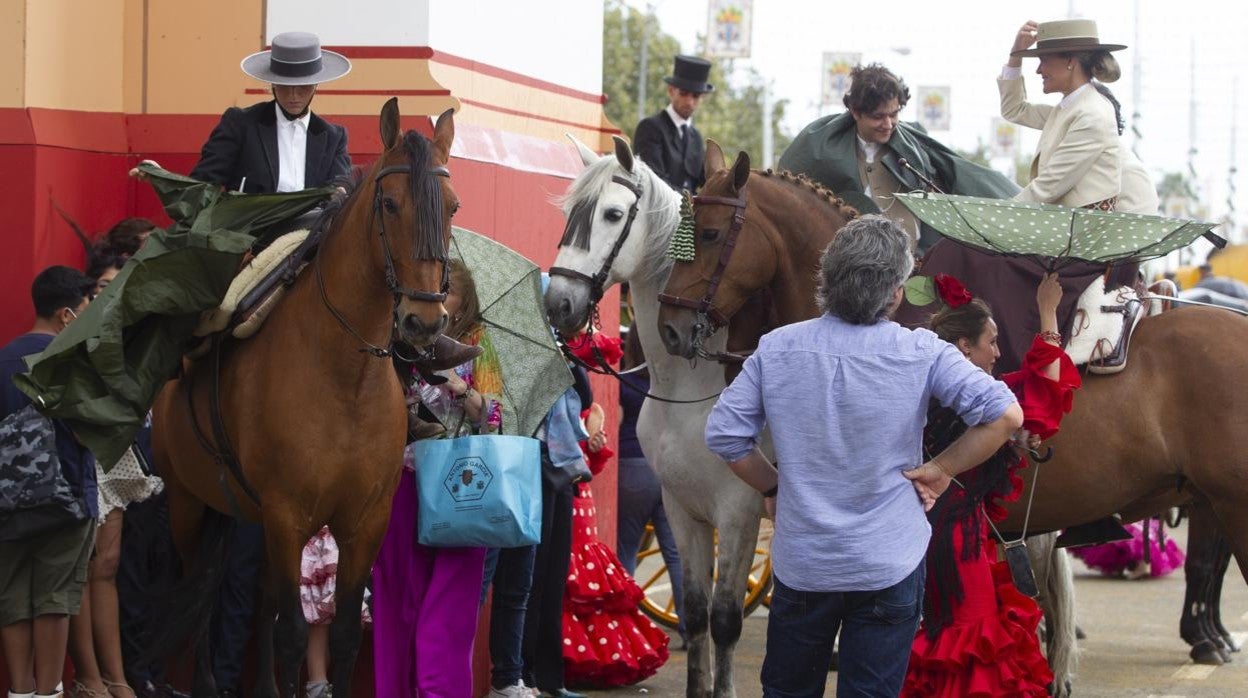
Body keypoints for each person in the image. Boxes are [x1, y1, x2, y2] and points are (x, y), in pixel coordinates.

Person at [703, 215, 1023, 697]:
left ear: (827, 280)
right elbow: (1005, 417)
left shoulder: (778, 348)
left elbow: (726, 435)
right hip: (887, 561)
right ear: (895, 292)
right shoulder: (922, 351)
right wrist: (940, 470)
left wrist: (774, 487)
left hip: (805, 563)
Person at [901, 273, 1081, 696]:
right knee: (971, 640)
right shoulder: (982, 398)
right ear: (964, 347)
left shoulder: (923, 389)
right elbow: (1046, 386)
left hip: (929, 532)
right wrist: (1048, 310)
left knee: (950, 637)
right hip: (956, 541)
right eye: (992, 341)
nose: (999, 352)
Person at [371, 259, 503, 697]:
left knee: (446, 609)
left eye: (445, 292)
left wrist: (458, 387)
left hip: (460, 486)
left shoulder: (482, 346)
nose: (435, 299)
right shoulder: (401, 342)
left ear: (463, 302)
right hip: (404, 478)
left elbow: (499, 417)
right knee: (396, 599)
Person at [778, 63, 1019, 253]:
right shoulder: (821, 151)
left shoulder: (917, 149)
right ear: (855, 112)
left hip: (911, 271)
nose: (888, 124)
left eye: (894, 115)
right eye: (878, 117)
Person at [65, 261, 164, 698]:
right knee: (82, 573)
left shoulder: (139, 335)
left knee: (106, 568)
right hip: (82, 451)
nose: (109, 293)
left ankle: (117, 678)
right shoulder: (74, 338)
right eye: (101, 286)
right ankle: (88, 678)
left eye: (116, 286)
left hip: (120, 454)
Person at [1, 266, 98, 698]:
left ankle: (20, 691)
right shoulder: (70, 360)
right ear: (65, 315)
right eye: (86, 309)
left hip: (6, 503)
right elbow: (84, 431)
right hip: (66, 497)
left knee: (14, 600)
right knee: (54, 600)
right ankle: (48, 691)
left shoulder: (3, 357)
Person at [561, 393, 670, 689]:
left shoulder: (591, 413)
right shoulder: (565, 411)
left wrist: (595, 446)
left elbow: (592, 466)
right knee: (569, 584)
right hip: (563, 503)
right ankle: (569, 658)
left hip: (580, 503)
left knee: (586, 586)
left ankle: (593, 659)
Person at [190, 32, 352, 194]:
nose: (293, 95)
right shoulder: (240, 124)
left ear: (316, 84)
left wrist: (340, 192)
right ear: (273, 83)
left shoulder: (333, 137)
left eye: (303, 86)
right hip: (252, 218)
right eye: (285, 85)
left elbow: (341, 188)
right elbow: (203, 184)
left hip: (313, 219)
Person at [1001, 19, 1125, 210]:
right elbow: (1014, 109)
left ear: (1070, 62)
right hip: (1066, 227)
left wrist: (998, 214)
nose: (1038, 70)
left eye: (1043, 60)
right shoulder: (1068, 109)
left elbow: (1049, 185)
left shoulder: (1091, 114)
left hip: (1083, 233)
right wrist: (1015, 55)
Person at [613, 328, 685, 646]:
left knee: (626, 549)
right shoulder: (672, 382)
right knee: (677, 554)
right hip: (669, 469)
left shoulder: (625, 381)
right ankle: (691, 628)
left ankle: (626, 627)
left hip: (632, 466)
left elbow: (614, 424)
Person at [632, 55, 714, 192]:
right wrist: (691, 202)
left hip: (690, 212)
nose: (689, 102)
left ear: (702, 98)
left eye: (695, 96)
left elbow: (707, 180)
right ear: (671, 91)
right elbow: (653, 181)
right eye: (683, 93)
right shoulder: (650, 128)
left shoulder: (696, 138)